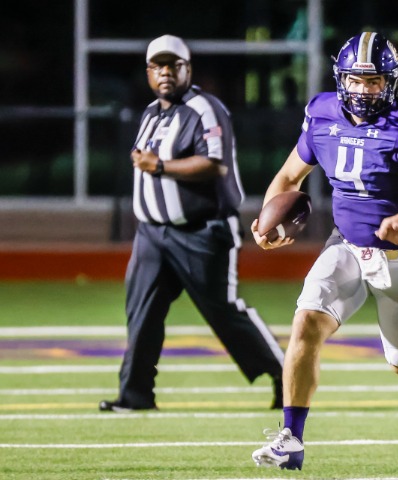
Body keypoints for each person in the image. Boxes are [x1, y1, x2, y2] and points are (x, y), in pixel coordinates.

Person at [250, 32, 398, 470]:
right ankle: (291, 439)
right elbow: (288, 178)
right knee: (306, 322)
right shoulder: (321, 115)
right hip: (348, 247)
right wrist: (266, 222)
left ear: (390, 82)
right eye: (356, 80)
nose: (364, 90)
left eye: (374, 81)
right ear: (341, 79)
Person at [99, 34, 284, 413]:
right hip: (152, 233)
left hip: (201, 231)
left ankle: (285, 375)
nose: (165, 72)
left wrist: (159, 166)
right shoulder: (151, 113)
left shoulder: (205, 109)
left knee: (224, 312)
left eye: (173, 65)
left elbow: (215, 164)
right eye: (157, 66)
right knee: (141, 311)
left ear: (187, 69)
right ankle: (135, 394)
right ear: (148, 72)